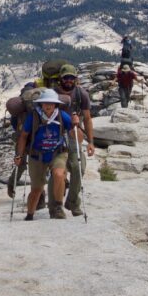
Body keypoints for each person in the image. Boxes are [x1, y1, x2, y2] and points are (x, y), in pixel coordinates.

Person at [14, 88, 75, 220]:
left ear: (56, 104)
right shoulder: (33, 117)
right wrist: (19, 155)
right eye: (46, 103)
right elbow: (23, 136)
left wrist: (75, 125)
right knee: (37, 189)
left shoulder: (63, 116)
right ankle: (30, 214)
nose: (48, 106)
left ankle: (58, 207)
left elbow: (77, 138)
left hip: (57, 153)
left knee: (59, 174)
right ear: (41, 104)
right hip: (37, 155)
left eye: (51, 103)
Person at [48, 64, 95, 217]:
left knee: (78, 167)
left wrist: (91, 142)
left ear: (76, 79)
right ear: (60, 79)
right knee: (57, 170)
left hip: (74, 133)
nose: (69, 80)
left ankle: (72, 201)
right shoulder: (52, 94)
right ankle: (54, 206)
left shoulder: (81, 94)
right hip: (55, 134)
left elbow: (87, 118)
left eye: (71, 78)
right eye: (66, 78)